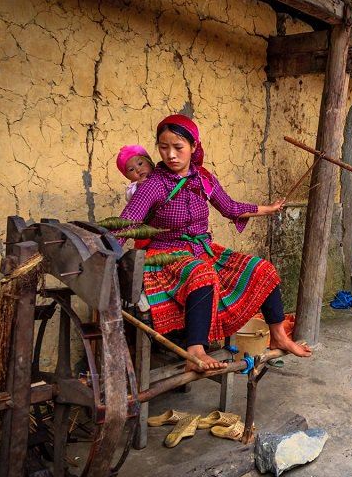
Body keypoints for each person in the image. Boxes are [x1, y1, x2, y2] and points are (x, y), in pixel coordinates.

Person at [120, 114, 312, 371]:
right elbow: (126, 222)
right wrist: (99, 246)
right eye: (164, 147)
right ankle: (195, 351)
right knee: (201, 273)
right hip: (166, 255)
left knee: (262, 268)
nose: (171, 155)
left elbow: (230, 207)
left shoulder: (203, 179)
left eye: (178, 147)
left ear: (193, 147)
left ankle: (278, 335)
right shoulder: (153, 185)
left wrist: (267, 209)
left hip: (203, 249)